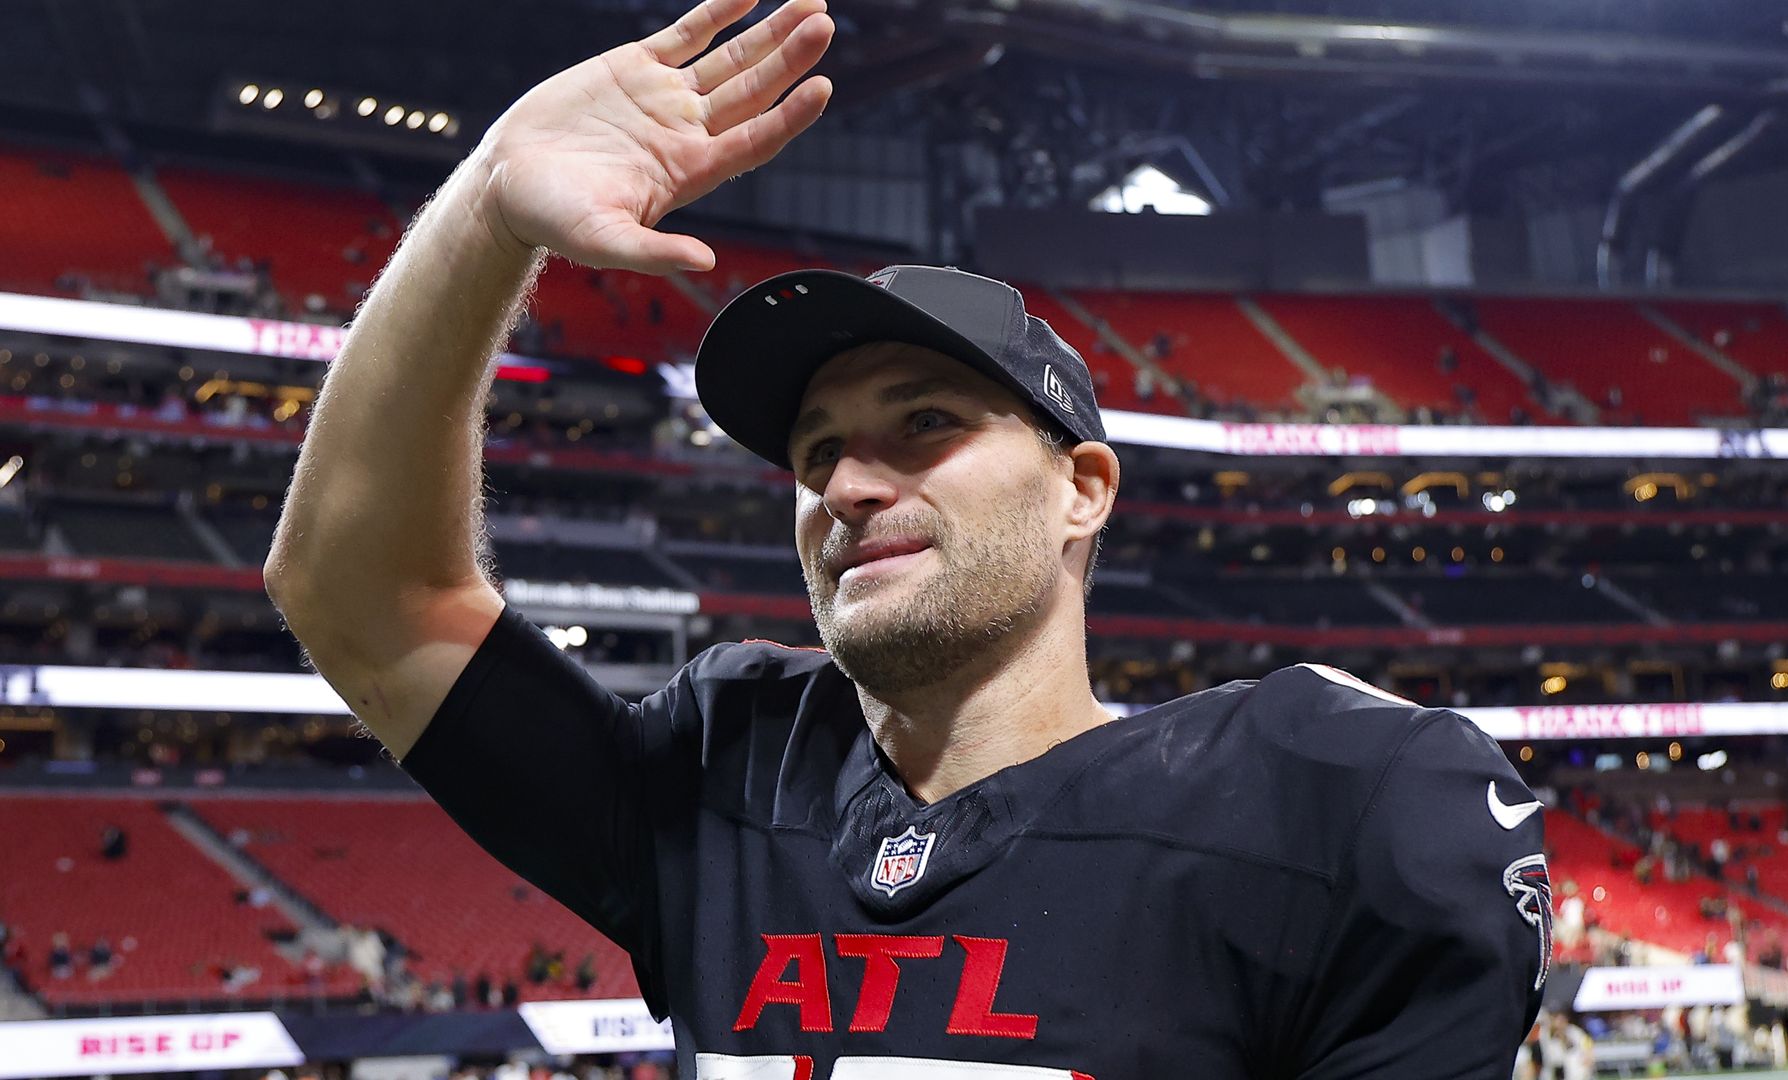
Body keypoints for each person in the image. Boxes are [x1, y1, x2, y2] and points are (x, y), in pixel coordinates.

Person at [264, 0, 1549, 1073]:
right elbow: (363, 593)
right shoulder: (727, 774)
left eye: (925, 424)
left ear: (1082, 490)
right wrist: (488, 209)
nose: (849, 484)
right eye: (816, 452)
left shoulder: (1328, 802)